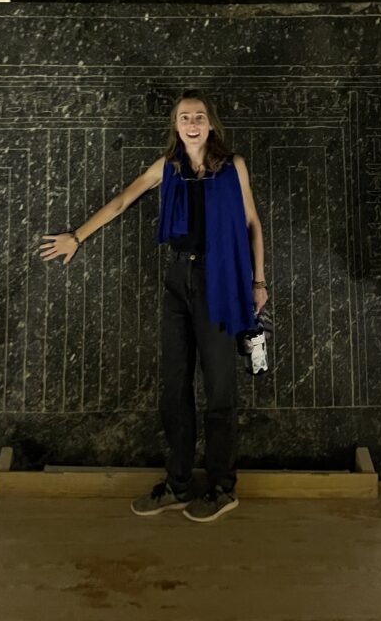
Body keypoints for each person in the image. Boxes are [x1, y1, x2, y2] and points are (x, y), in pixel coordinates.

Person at [40, 90, 267, 523]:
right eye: (185, 117)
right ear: (176, 126)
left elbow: (252, 223)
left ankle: (222, 488)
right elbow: (123, 201)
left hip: (222, 281)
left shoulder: (233, 165)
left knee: (220, 391)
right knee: (174, 389)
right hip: (179, 279)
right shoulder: (167, 168)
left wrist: (258, 281)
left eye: (200, 115)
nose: (193, 122)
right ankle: (179, 485)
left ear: (211, 123)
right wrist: (77, 236)